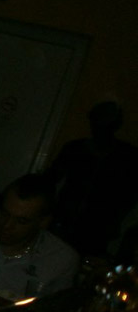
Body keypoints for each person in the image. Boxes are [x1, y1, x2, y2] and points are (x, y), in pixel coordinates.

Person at [47, 100, 138, 258]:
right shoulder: (75, 149)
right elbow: (49, 180)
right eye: (98, 123)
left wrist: (115, 219)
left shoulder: (127, 156)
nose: (101, 129)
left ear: (115, 126)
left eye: (106, 125)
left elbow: (131, 194)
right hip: (64, 221)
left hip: (98, 227)